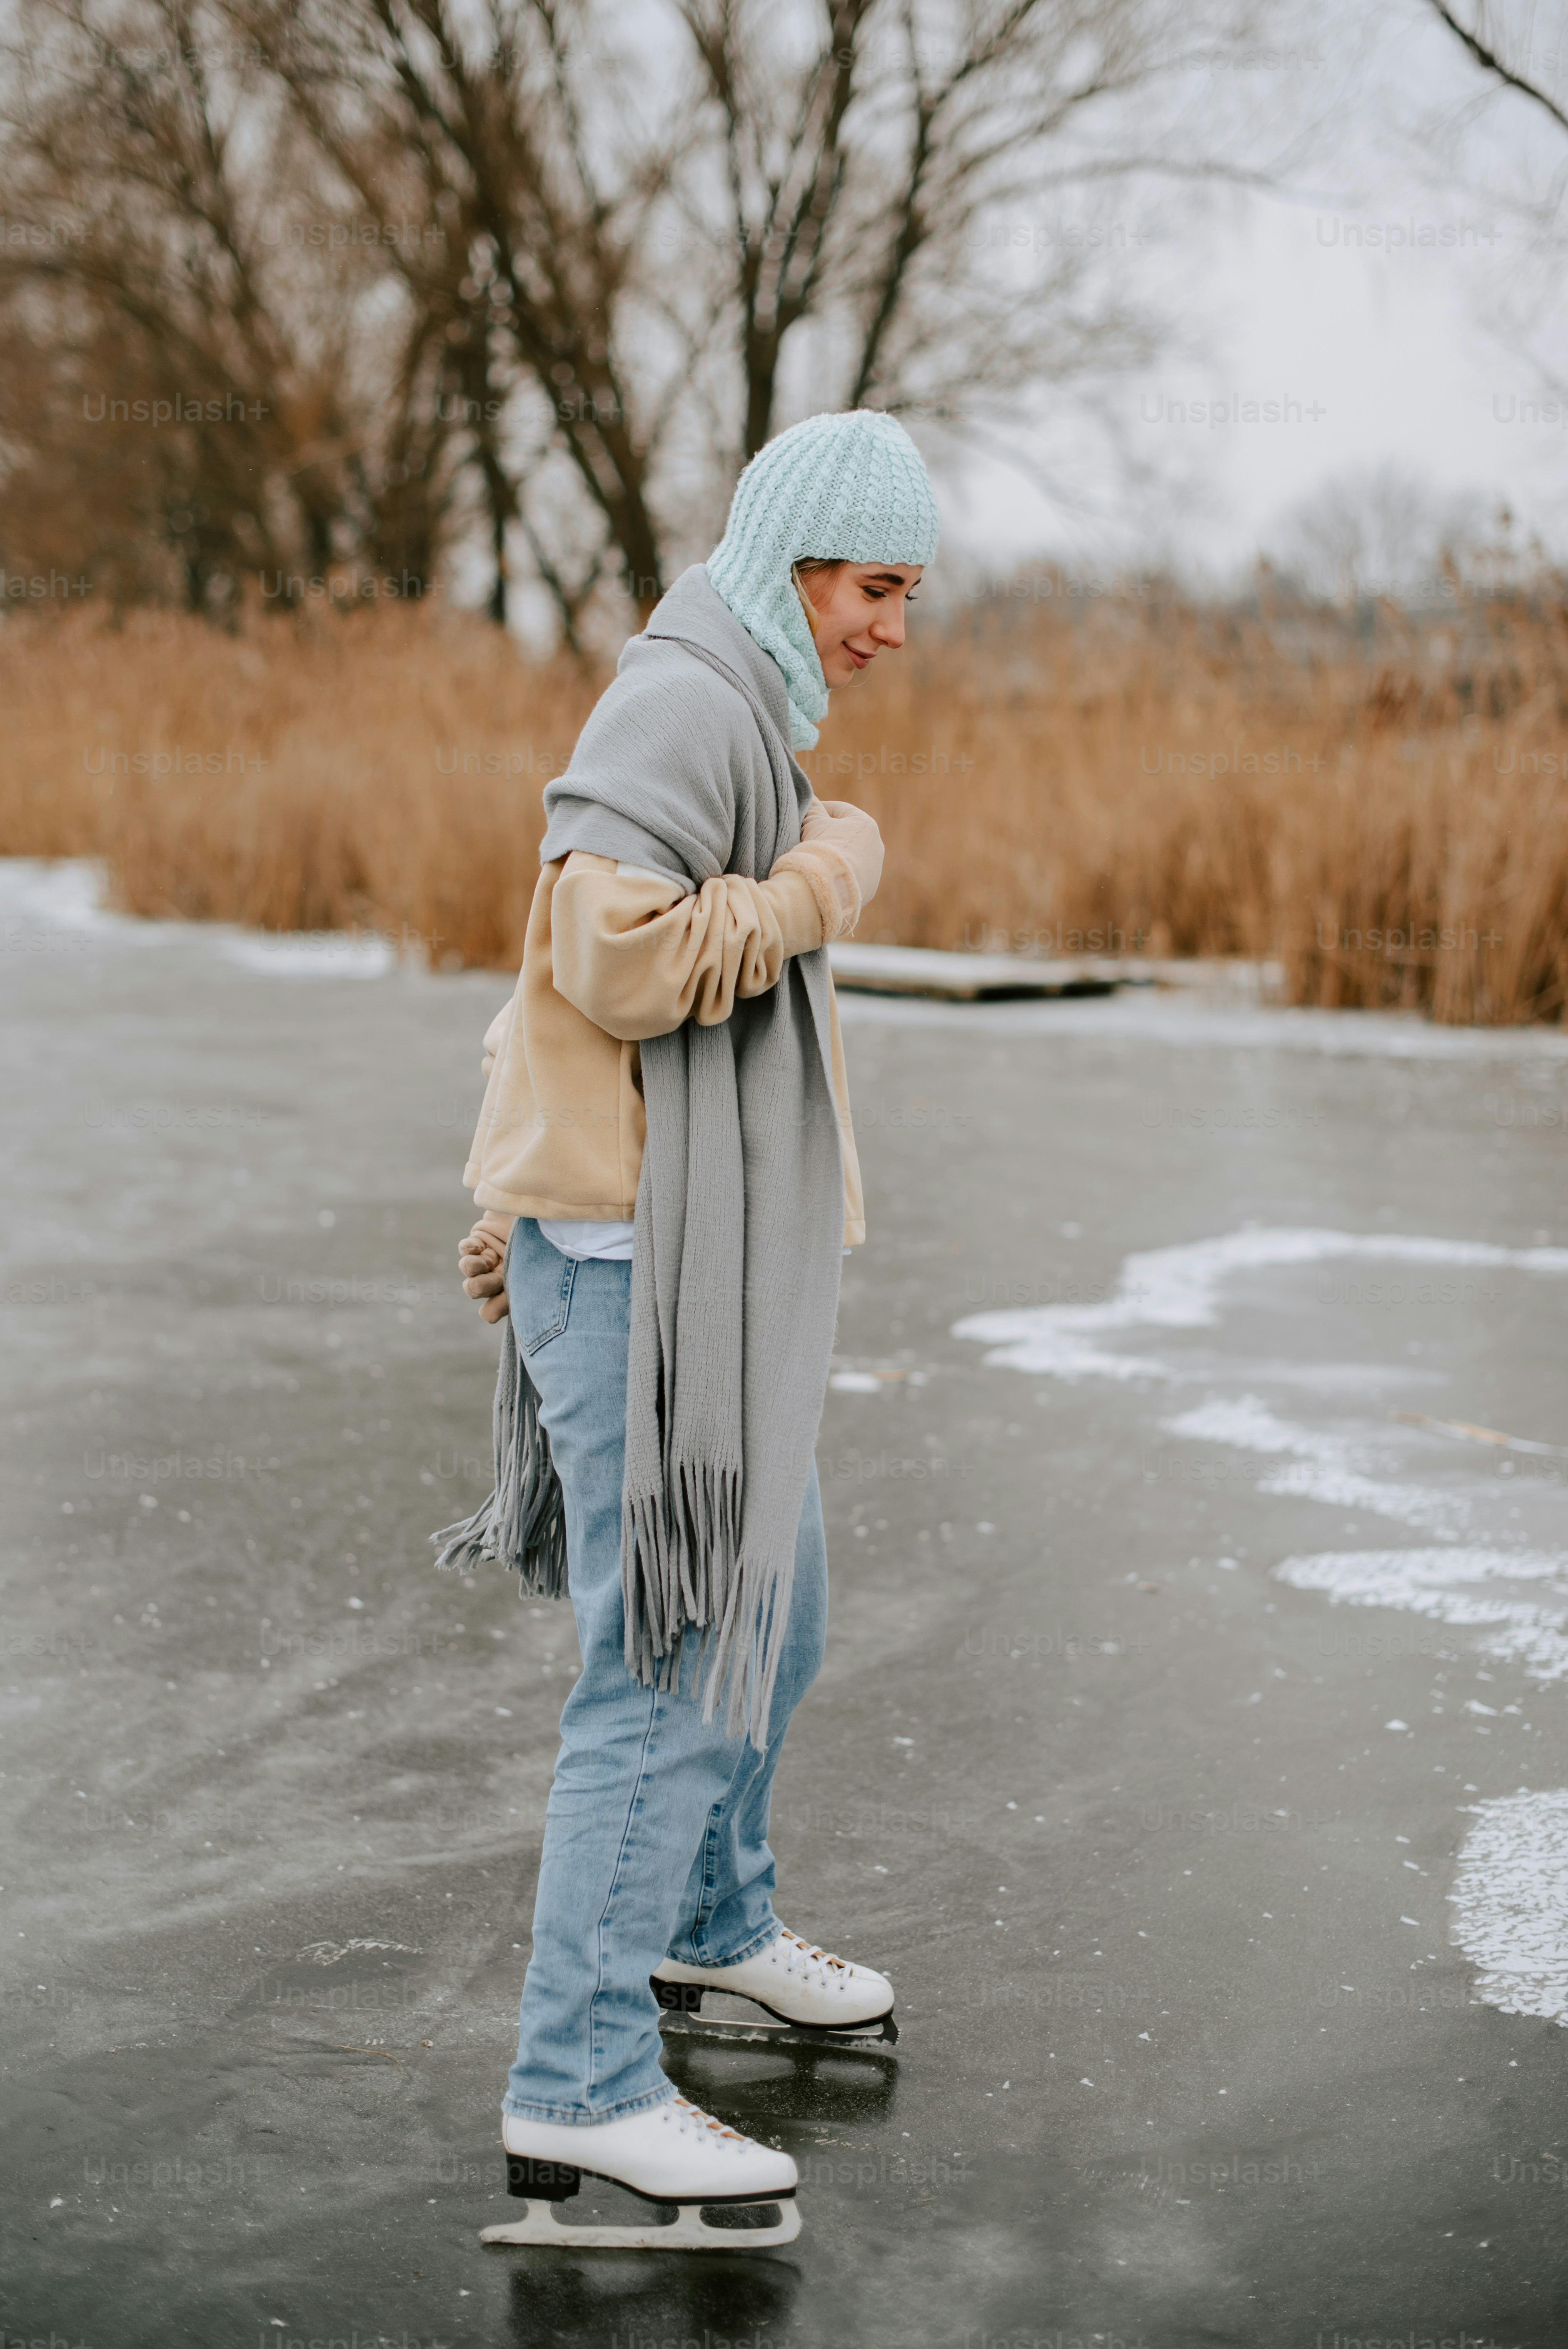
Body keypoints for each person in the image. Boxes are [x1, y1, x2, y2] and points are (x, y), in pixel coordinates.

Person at [442, 409, 938, 2236]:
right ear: (800, 562)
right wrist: (821, 882)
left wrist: (515, 1167)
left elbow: (541, 993)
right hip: (640, 1274)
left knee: (771, 1618)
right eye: (878, 584)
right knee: (659, 1675)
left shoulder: (731, 703)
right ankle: (575, 2084)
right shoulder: (683, 704)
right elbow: (605, 952)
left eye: (904, 592)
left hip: (676, 1264)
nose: (891, 625)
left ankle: (710, 1933)